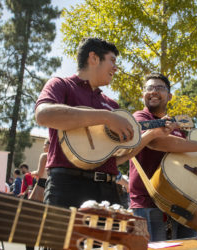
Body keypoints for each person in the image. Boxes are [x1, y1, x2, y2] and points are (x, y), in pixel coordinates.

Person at [34, 38, 173, 209]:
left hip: (108, 191)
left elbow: (116, 159)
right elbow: (43, 115)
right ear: (93, 58)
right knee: (63, 236)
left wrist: (152, 134)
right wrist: (106, 117)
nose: (116, 68)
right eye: (112, 60)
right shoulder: (61, 85)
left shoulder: (112, 105)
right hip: (66, 186)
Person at [129, 73, 197, 241]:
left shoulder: (177, 126)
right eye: (149, 88)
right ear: (143, 95)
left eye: (160, 88)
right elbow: (158, 142)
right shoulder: (141, 117)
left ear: (169, 96)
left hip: (181, 203)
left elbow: (193, 155)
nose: (154, 91)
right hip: (147, 203)